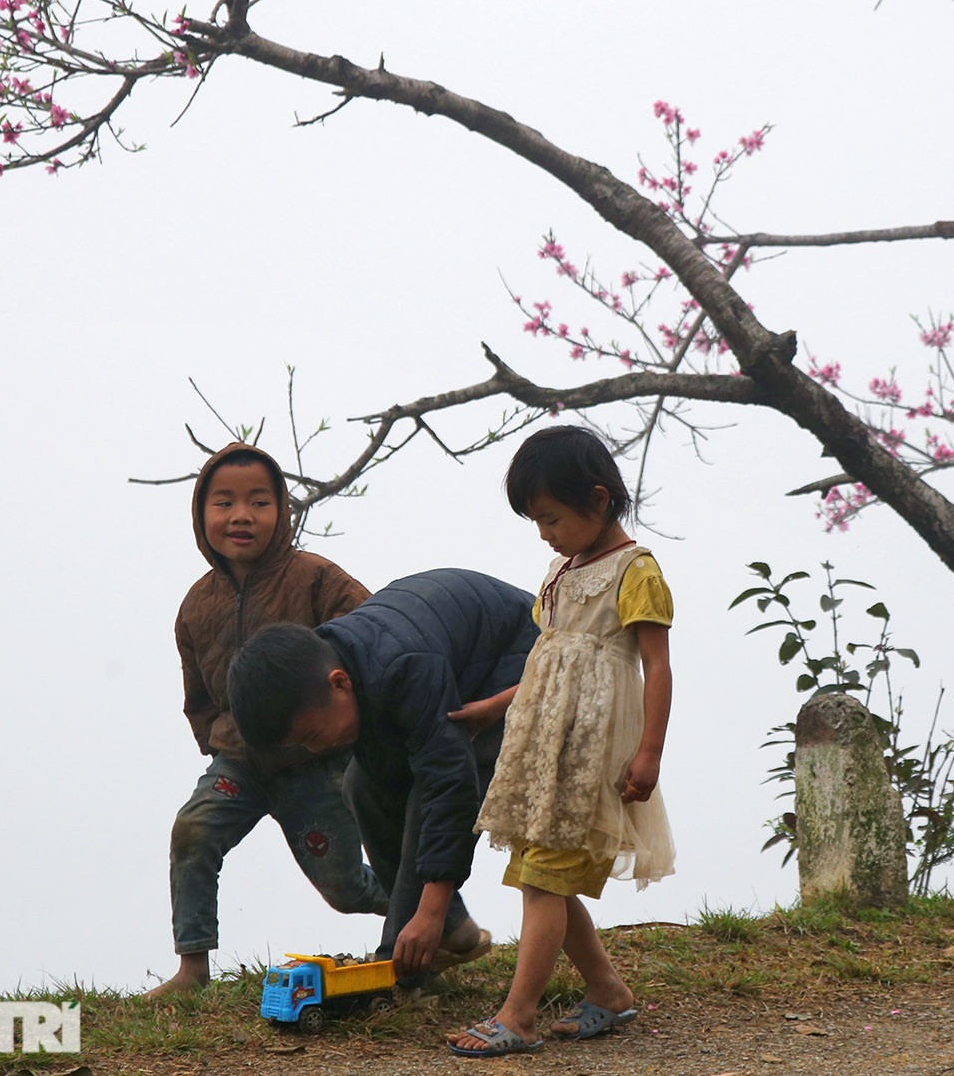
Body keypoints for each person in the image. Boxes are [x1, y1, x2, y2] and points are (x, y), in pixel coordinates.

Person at [446, 425, 677, 1058]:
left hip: (591, 754)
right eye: (535, 522)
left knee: (546, 879)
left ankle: (519, 1016)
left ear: (598, 501)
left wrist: (649, 752)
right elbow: (547, 661)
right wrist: (494, 707)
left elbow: (656, 666)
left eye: (550, 518)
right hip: (544, 750)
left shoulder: (635, 571)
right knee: (540, 874)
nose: (544, 533)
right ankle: (607, 991)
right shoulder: (560, 572)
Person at [149, 443, 389, 998]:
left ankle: (439, 914)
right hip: (238, 762)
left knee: (347, 889)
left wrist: (352, 734)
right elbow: (198, 693)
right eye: (224, 502)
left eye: (259, 501)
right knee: (193, 832)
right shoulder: (195, 606)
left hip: (316, 764)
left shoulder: (315, 578)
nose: (240, 515)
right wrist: (215, 742)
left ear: (282, 511)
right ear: (200, 515)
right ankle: (192, 969)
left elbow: (371, 635)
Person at [226, 567, 540, 979]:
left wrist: (429, 908)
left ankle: (408, 953)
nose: (316, 750)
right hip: (452, 672)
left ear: (339, 684)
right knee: (360, 786)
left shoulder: (402, 665)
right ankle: (447, 933)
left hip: (517, 665)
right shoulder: (339, 663)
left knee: (428, 794)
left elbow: (449, 786)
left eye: (314, 736)